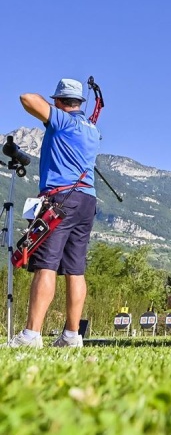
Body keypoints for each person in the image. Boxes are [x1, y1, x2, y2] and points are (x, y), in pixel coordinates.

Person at [5, 78, 101, 348]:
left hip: (60, 199)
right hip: (86, 199)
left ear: (59, 101)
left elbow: (27, 98)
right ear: (80, 103)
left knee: (46, 265)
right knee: (75, 270)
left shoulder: (63, 121)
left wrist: (52, 112)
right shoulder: (92, 129)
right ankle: (72, 336)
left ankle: (31, 335)